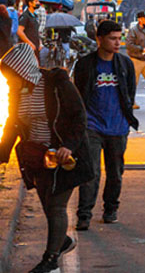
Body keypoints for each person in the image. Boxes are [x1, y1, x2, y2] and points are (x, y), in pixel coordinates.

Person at [0, 43, 93, 273]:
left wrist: (68, 146)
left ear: (24, 71)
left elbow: (79, 117)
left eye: (12, 78)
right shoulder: (17, 92)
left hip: (64, 157)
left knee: (56, 206)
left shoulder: (56, 84)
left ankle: (50, 260)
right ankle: (61, 241)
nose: (10, 83)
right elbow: (12, 123)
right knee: (47, 204)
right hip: (37, 157)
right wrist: (3, 153)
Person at [73, 20, 138, 230]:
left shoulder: (125, 64)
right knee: (90, 172)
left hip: (118, 128)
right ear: (99, 39)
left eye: (119, 38)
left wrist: (126, 119)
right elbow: (78, 94)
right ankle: (84, 215)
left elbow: (130, 93)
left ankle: (110, 209)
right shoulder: (85, 64)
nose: (117, 43)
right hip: (92, 126)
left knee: (115, 173)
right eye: (112, 38)